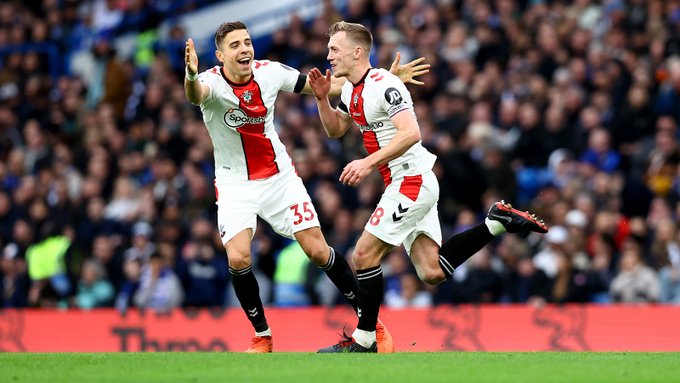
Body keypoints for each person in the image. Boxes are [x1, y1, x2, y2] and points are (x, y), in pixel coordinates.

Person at [184, 21, 428, 353]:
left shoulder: (270, 72)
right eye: (235, 45)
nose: (244, 49)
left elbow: (324, 87)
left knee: (317, 250)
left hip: (279, 178)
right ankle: (262, 336)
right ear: (220, 55)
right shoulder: (209, 81)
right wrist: (191, 75)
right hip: (234, 184)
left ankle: (370, 323)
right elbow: (195, 94)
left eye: (247, 42)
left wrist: (382, 78)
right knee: (239, 258)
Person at [308, 21, 549, 353]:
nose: (329, 55)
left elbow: (411, 134)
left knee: (363, 254)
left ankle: (365, 341)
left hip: (411, 180)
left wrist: (366, 162)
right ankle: (496, 223)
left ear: (357, 51)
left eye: (335, 48)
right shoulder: (350, 89)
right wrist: (322, 99)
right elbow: (336, 130)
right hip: (402, 181)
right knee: (432, 272)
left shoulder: (385, 85)